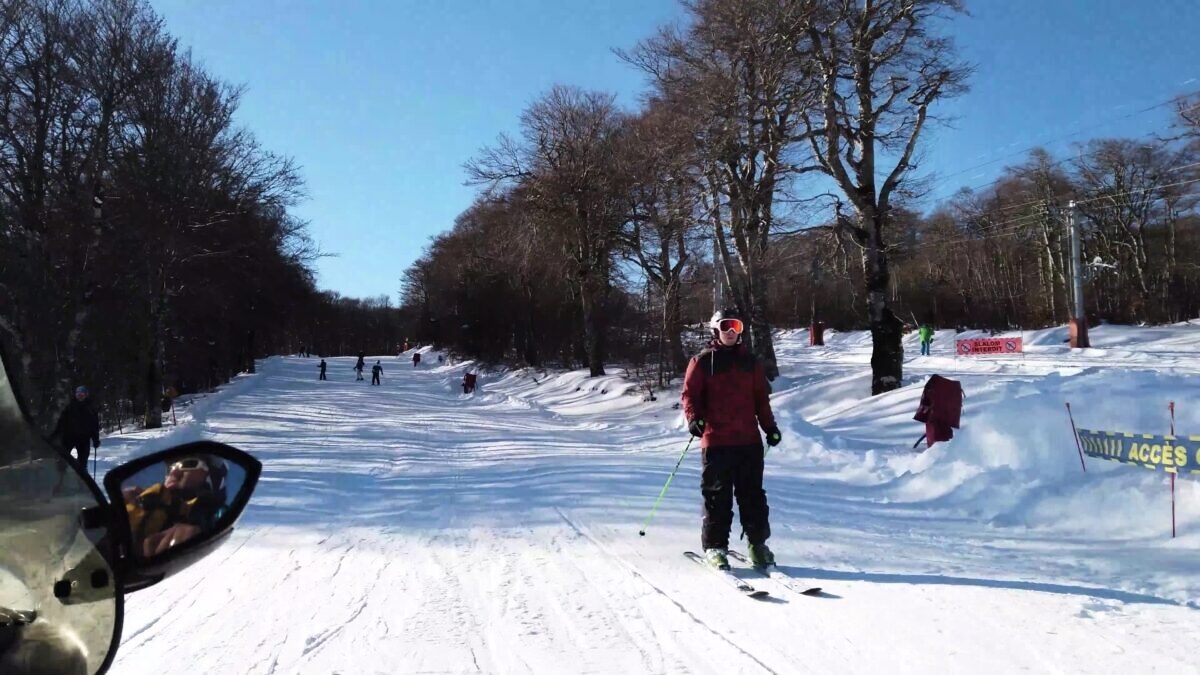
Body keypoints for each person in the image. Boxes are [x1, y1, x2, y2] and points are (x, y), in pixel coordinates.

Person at [681, 308, 781, 570]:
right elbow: (690, 396)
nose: (730, 331)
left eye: (735, 326)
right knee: (717, 497)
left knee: (753, 496)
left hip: (748, 441)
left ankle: (757, 545)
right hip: (716, 441)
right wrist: (694, 419)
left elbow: (761, 400)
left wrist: (770, 427)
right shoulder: (702, 362)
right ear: (716, 329)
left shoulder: (751, 363)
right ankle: (715, 547)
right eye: (726, 326)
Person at [122, 454, 228, 559]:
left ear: (213, 477)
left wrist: (195, 537)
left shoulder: (217, 515)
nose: (174, 472)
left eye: (188, 463)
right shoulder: (138, 497)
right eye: (170, 468)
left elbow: (216, 524)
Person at [54, 386, 100, 472]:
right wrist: (55, 434)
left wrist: (95, 439)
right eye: (78, 394)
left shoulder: (90, 408)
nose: (80, 396)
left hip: (84, 438)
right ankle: (60, 477)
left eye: (82, 394)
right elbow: (61, 422)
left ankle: (81, 481)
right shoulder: (70, 406)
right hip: (69, 437)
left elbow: (94, 425)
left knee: (82, 462)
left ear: (86, 395)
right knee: (62, 459)